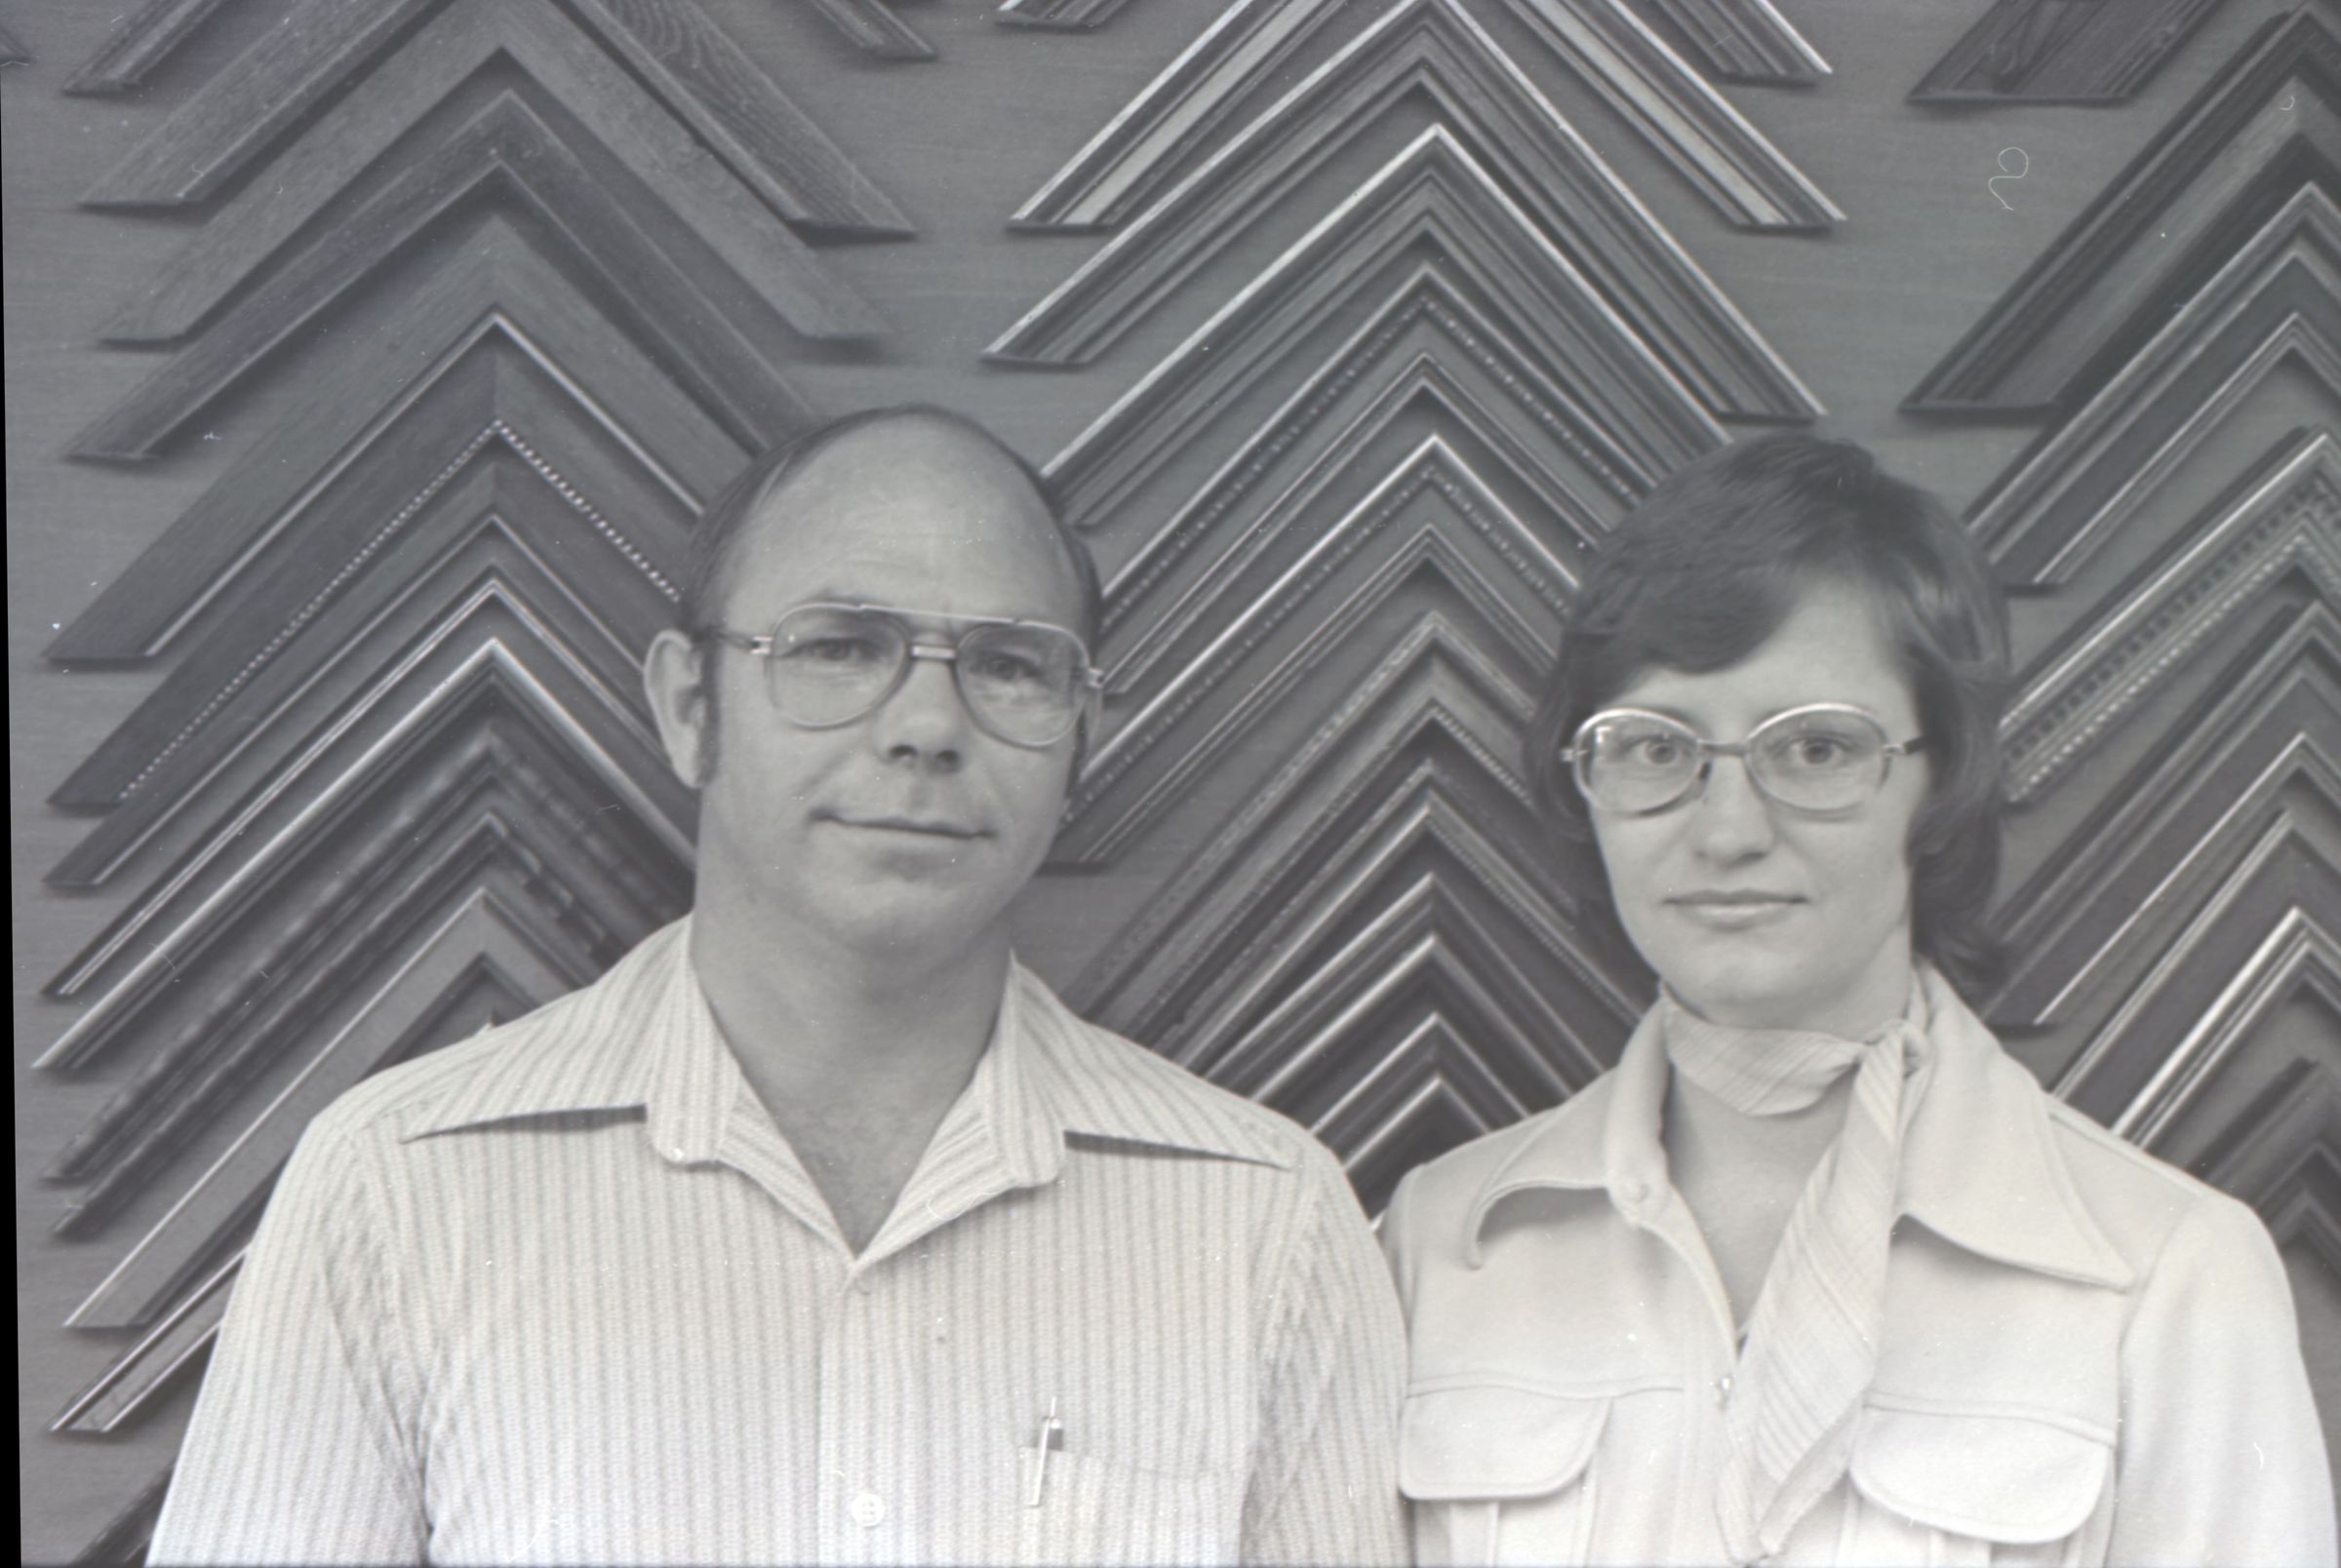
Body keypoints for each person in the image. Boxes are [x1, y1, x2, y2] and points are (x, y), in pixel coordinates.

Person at [149, 406, 1406, 1566]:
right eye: (840, 646)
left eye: (1011, 665)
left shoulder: (1265, 1225)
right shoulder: (400, 1187)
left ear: (1082, 735)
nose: (927, 726)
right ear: (689, 706)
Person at [1378, 434, 2336, 1565]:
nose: (1728, 830)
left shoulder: (2167, 1273)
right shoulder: (1436, 1243)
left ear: (1943, 783)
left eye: (1818, 749)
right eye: (1654, 748)